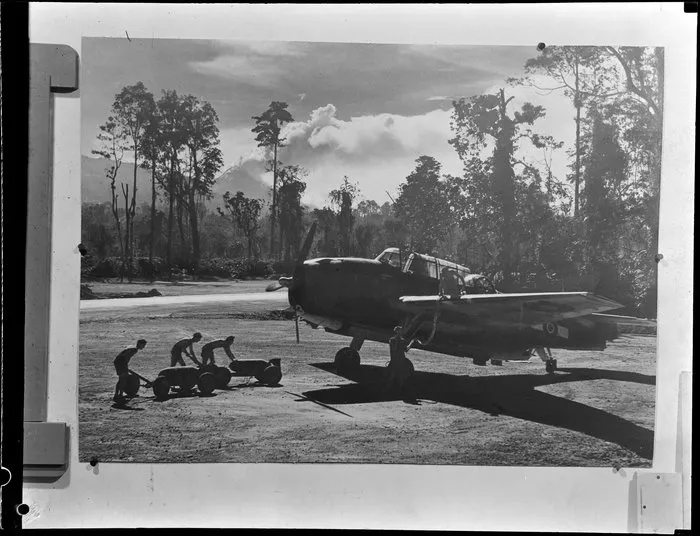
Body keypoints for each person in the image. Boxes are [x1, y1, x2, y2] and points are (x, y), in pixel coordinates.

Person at [386, 326, 415, 401]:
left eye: (401, 331)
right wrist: (398, 340)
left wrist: (411, 343)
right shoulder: (392, 340)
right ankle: (389, 391)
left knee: (399, 377)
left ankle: (396, 392)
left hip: (399, 361)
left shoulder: (400, 340)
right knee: (394, 376)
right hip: (396, 361)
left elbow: (406, 349)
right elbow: (394, 349)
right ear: (397, 331)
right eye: (400, 331)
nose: (401, 333)